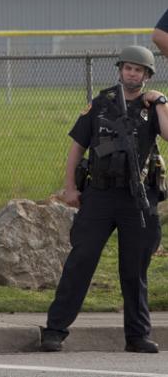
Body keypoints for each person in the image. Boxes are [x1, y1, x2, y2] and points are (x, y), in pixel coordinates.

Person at [40, 45, 166, 354]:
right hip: (100, 195)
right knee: (81, 261)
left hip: (137, 197)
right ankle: (55, 330)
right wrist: (70, 188)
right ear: (120, 70)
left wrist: (162, 102)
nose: (131, 73)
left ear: (147, 75)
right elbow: (76, 148)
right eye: (127, 68)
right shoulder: (101, 103)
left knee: (134, 268)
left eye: (138, 70)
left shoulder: (152, 108)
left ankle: (137, 336)